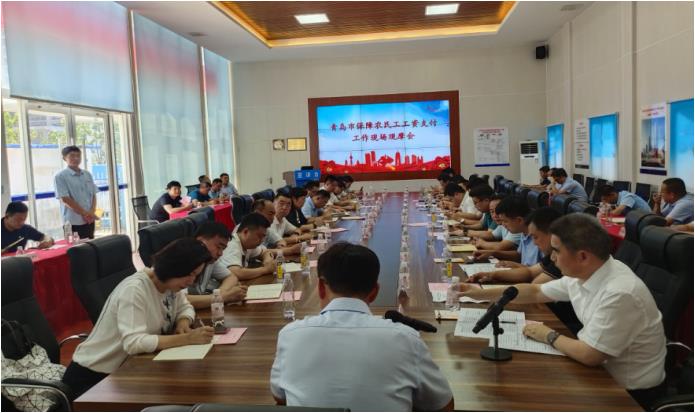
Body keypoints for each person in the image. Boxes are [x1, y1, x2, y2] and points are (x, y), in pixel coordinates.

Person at [457, 214, 666, 408]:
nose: (552, 257)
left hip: (626, 393)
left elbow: (590, 355)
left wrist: (548, 335)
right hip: (596, 373)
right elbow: (536, 291)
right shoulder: (587, 272)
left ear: (582, 256)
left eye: (556, 250)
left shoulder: (620, 292)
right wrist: (479, 293)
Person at [270, 242, 454, 411]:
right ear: (374, 292)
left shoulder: (290, 335)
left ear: (320, 287)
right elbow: (443, 406)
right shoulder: (406, 338)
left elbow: (280, 398)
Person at [61, 238, 215, 400]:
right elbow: (134, 343)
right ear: (174, 266)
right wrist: (187, 338)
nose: (191, 281)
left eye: (196, 275)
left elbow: (185, 306)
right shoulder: (134, 290)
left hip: (126, 371)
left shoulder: (170, 285)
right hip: (94, 380)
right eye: (190, 274)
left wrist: (183, 321)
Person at [469, 207, 563, 284]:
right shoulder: (552, 256)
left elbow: (535, 288)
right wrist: (491, 275)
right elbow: (530, 272)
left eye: (535, 237)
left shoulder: (562, 258)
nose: (534, 243)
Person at [187, 222, 247, 309]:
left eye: (223, 249)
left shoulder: (210, 260)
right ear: (200, 240)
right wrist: (223, 297)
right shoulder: (182, 258)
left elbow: (231, 277)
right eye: (218, 247)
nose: (220, 253)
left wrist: (220, 294)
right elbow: (181, 301)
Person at [473, 196, 538, 264]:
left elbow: (535, 268)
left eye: (505, 221)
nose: (503, 225)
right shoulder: (523, 231)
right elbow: (519, 255)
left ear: (519, 220)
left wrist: (517, 266)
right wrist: (493, 253)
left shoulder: (537, 238)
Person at [53, 146, 99, 239]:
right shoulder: (60, 176)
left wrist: (92, 211)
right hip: (73, 222)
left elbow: (93, 194)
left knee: (91, 244)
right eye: (72, 156)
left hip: (89, 219)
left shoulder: (87, 174)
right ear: (64, 158)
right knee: (76, 247)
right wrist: (85, 213)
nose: (76, 158)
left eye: (78, 155)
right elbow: (65, 199)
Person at [219, 213, 275, 281]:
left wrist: (267, 261)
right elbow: (236, 273)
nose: (262, 240)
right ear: (245, 231)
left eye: (263, 237)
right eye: (259, 236)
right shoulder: (232, 245)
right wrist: (265, 269)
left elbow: (265, 252)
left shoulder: (247, 244)